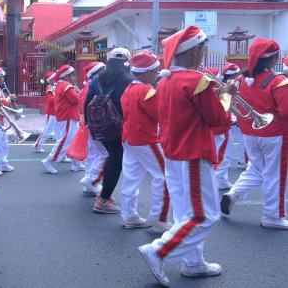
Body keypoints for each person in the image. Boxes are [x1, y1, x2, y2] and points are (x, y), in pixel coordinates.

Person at [138, 26, 234, 286]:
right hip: (192, 153)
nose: (204, 53)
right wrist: (227, 97)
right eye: (202, 48)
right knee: (205, 216)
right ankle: (159, 251)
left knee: (185, 214)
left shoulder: (166, 80)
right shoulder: (197, 81)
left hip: (173, 152)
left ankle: (193, 263)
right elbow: (218, 120)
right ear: (194, 51)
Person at [221, 38, 288, 229]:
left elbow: (226, 102)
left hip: (249, 134)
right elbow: (286, 111)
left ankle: (233, 194)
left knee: (256, 169)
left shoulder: (239, 80)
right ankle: (273, 216)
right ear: (273, 58)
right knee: (276, 174)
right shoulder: (278, 81)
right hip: (275, 135)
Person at [119, 51, 171, 231]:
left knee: (131, 178)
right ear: (148, 72)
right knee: (165, 175)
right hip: (145, 138)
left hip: (129, 138)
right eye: (156, 71)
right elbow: (159, 114)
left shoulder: (129, 89)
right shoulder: (146, 91)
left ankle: (129, 215)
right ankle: (159, 217)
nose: (157, 74)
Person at [85, 48, 133, 213]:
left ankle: (103, 192)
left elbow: (88, 102)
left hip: (99, 125)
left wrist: (89, 123)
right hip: (119, 126)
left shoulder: (97, 79)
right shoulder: (129, 80)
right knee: (116, 162)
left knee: (111, 158)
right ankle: (103, 200)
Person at [41, 65, 80, 174]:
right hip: (68, 115)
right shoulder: (67, 86)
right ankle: (50, 160)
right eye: (72, 75)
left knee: (72, 140)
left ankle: (76, 162)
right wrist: (81, 93)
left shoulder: (62, 85)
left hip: (67, 115)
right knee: (65, 139)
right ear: (66, 76)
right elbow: (76, 99)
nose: (74, 77)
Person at [78, 62, 107, 195]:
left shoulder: (89, 86)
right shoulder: (93, 85)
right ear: (96, 73)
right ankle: (91, 181)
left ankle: (89, 184)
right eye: (103, 69)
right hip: (94, 123)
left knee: (93, 154)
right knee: (104, 154)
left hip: (89, 123)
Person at [33, 71, 57, 153]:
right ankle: (37, 145)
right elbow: (51, 100)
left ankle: (59, 149)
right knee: (47, 130)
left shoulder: (53, 88)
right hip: (52, 112)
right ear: (50, 80)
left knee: (58, 131)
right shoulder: (49, 88)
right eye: (53, 78)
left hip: (56, 112)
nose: (55, 79)